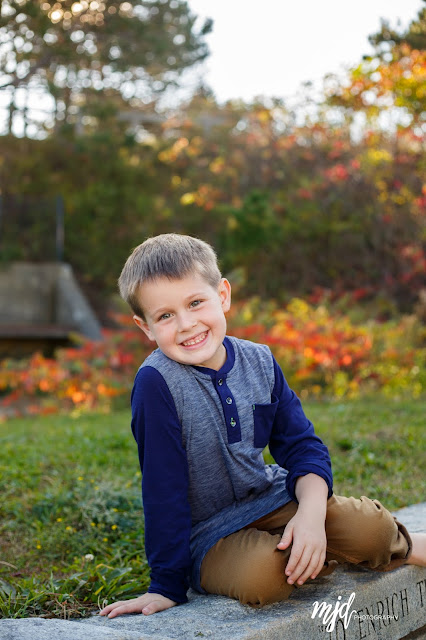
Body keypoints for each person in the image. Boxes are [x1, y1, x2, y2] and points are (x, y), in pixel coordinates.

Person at [100, 233, 426, 619]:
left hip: (273, 500)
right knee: (264, 579)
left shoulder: (259, 361)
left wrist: (309, 515)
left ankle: (400, 545)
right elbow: (162, 489)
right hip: (210, 533)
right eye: (166, 315)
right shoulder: (157, 384)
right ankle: (299, 556)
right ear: (146, 327)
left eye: (195, 303)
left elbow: (302, 446)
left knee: (370, 531)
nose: (186, 325)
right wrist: (165, 585)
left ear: (222, 295)